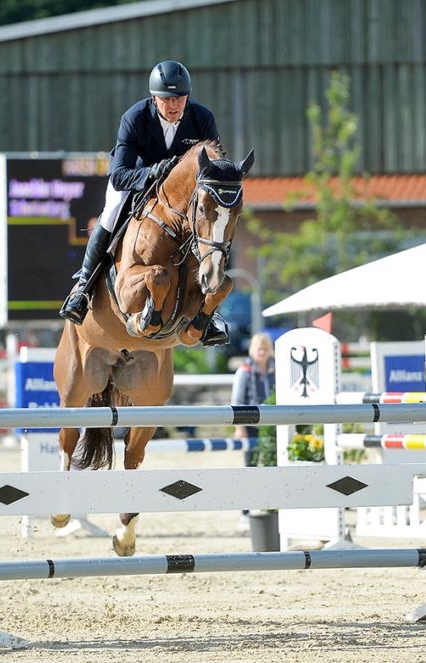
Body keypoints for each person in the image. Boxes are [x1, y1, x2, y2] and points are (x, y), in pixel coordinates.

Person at [59, 60, 228, 345]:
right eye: (166, 99)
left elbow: (213, 166)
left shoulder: (202, 118)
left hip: (181, 197)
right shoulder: (135, 118)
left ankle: (209, 313)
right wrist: (151, 173)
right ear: (154, 98)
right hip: (137, 183)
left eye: (179, 98)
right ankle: (83, 287)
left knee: (213, 222)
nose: (173, 105)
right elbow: (119, 175)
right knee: (111, 212)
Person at [231, 332, 276, 528]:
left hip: (272, 426)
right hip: (250, 426)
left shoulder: (277, 369)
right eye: (259, 348)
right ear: (252, 349)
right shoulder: (244, 370)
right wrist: (239, 427)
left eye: (265, 348)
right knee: (249, 468)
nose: (262, 351)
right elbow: (237, 401)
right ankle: (245, 512)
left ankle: (272, 508)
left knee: (272, 467)